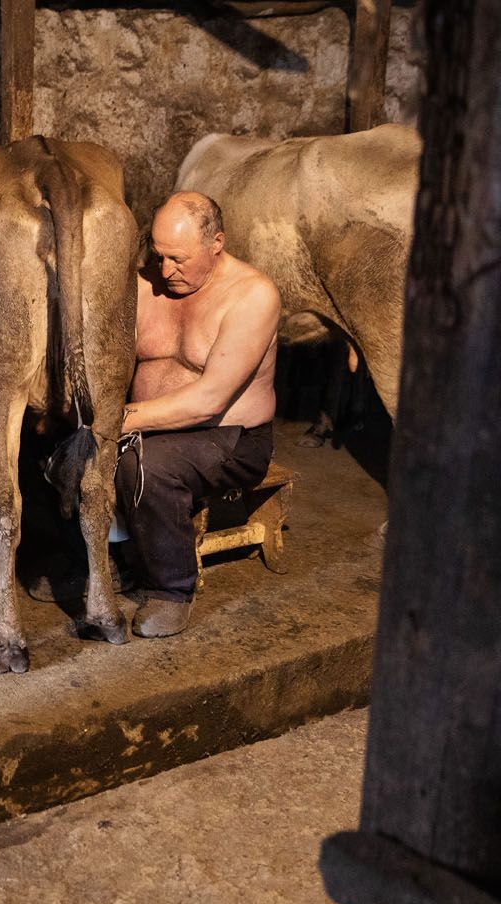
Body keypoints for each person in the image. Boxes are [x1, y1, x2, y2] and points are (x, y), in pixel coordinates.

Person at [116, 191, 280, 638]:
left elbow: (210, 399)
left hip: (228, 436)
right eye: (158, 254)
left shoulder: (252, 295)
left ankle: (171, 589)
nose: (165, 271)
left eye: (179, 259)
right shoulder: (145, 284)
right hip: (148, 424)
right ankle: (107, 555)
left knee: (146, 465)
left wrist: (118, 422)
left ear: (217, 243)